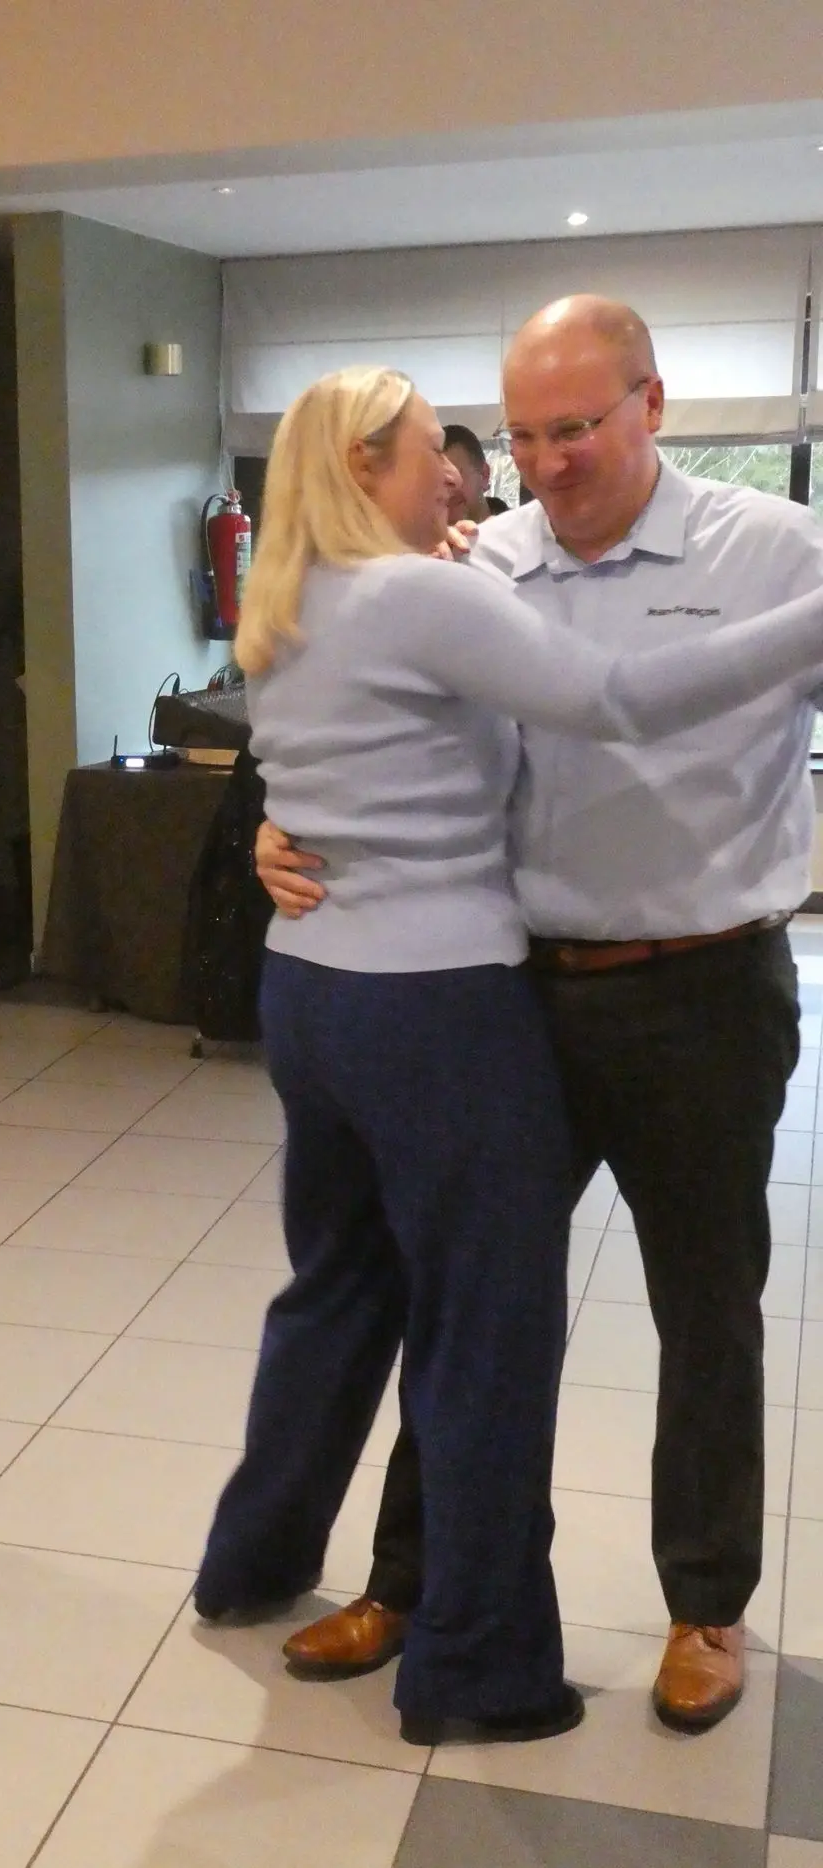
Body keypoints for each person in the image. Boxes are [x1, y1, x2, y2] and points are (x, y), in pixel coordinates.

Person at [193, 361, 823, 1745]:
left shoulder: (771, 545)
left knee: (697, 1306)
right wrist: (286, 828)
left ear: (651, 404)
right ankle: (435, 1612)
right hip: (489, 993)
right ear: (366, 467)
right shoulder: (466, 569)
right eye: (493, 439)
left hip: (690, 986)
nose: (505, 464)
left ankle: (702, 1604)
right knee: (474, 1318)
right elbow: (610, 702)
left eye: (566, 428)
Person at [442, 422, 508, 522]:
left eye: (454, 478)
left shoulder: (523, 529)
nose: (443, 491)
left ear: (484, 475)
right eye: (433, 481)